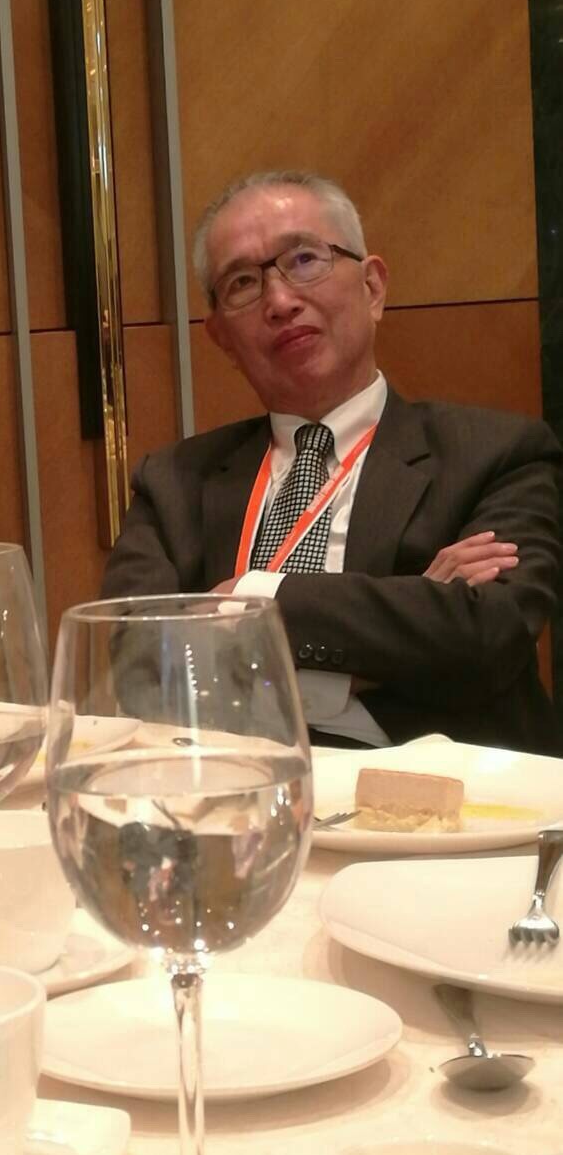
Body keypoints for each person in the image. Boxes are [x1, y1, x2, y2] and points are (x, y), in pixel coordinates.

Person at [102, 170, 562, 754]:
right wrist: (404, 622)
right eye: (243, 282)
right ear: (221, 340)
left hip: (442, 794)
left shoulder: (497, 453)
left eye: (304, 260)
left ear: (372, 288)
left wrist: (254, 597)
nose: (280, 301)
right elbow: (141, 667)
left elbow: (486, 635)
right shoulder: (173, 483)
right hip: (235, 787)